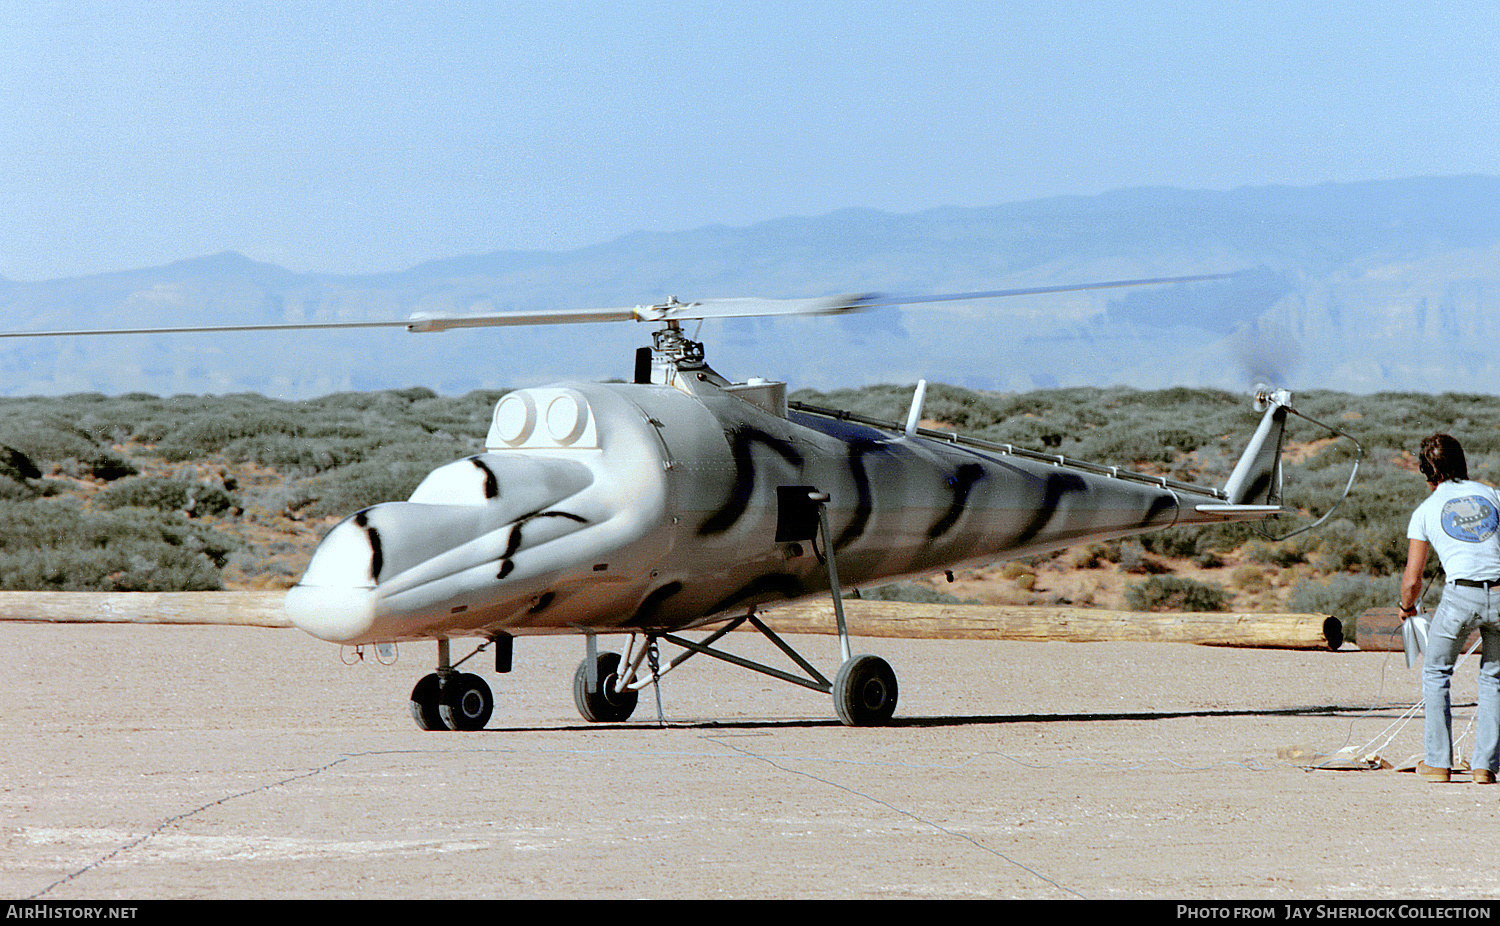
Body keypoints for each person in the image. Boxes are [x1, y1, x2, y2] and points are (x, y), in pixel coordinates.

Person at [1400, 433, 1500, 783]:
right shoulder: (1492, 495)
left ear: (1428, 472)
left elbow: (1413, 580)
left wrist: (1406, 607)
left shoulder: (1425, 511)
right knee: (1494, 678)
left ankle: (1438, 762)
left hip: (1460, 598)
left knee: (1437, 672)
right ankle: (1484, 767)